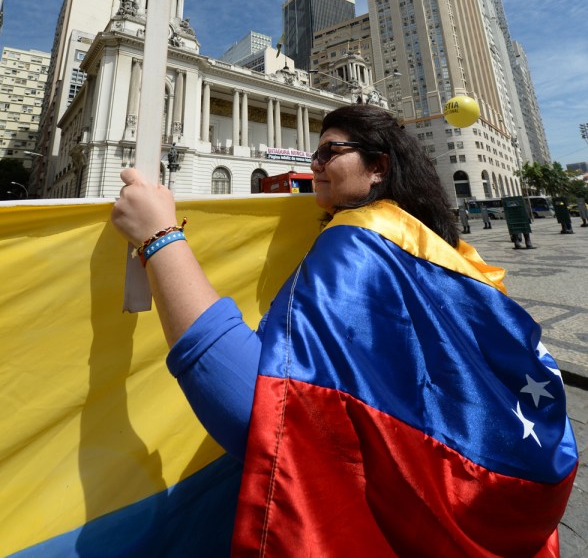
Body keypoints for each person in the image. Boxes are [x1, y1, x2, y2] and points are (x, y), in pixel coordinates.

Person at [111, 105, 577, 556]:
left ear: (378, 167)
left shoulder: (357, 241)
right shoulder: (431, 245)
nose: (313, 164)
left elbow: (264, 417)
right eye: (313, 154)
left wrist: (160, 237)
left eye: (329, 153)